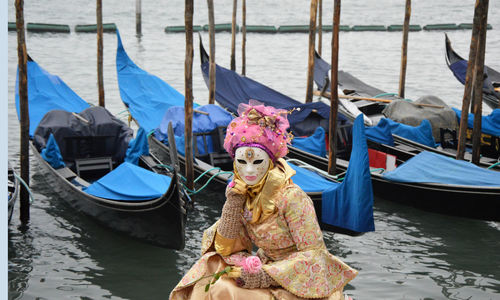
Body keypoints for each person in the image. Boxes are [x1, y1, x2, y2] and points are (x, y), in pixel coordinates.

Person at [170, 101, 357, 300]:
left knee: (225, 291)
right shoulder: (241, 192)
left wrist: (265, 276)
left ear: (270, 162)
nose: (249, 171)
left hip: (295, 281)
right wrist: (233, 203)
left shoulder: (292, 197)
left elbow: (314, 254)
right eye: (242, 162)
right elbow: (225, 247)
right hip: (261, 267)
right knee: (209, 274)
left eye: (257, 161)